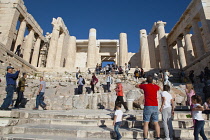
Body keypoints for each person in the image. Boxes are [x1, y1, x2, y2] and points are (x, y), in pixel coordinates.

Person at [135, 75, 160, 140]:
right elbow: (159, 87)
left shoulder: (145, 86)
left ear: (147, 80)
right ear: (152, 80)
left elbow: (136, 85)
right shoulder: (155, 87)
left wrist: (143, 82)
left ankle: (145, 138)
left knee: (146, 123)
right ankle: (158, 137)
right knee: (156, 123)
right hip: (155, 106)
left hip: (148, 105)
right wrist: (153, 83)